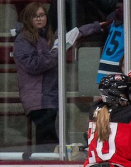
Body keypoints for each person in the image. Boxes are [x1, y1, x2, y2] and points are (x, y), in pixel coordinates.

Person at [13, 2, 102, 152]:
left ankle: (47, 163)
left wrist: (96, 26)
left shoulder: (48, 36)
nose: (39, 19)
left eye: (42, 15)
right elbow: (33, 65)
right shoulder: (23, 39)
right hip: (37, 96)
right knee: (47, 137)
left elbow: (75, 33)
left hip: (50, 95)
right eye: (35, 16)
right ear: (28, 19)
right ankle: (45, 165)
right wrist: (56, 53)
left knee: (48, 137)